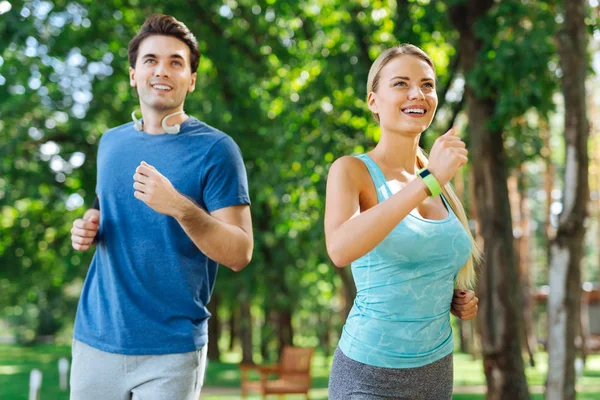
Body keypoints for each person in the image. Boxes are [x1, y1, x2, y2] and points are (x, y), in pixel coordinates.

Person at [68, 14, 253, 400]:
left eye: (176, 62)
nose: (161, 71)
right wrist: (89, 223)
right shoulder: (110, 143)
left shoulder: (217, 150)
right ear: (134, 74)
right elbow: (102, 205)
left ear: (192, 79)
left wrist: (180, 207)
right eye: (150, 60)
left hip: (173, 350)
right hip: (95, 340)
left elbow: (239, 252)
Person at [325, 44, 481, 399]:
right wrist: (428, 181)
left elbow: (422, 266)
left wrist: (453, 297)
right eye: (400, 83)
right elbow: (339, 248)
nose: (418, 93)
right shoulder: (352, 171)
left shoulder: (439, 183)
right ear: (373, 101)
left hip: (435, 370)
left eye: (427, 85)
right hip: (368, 373)